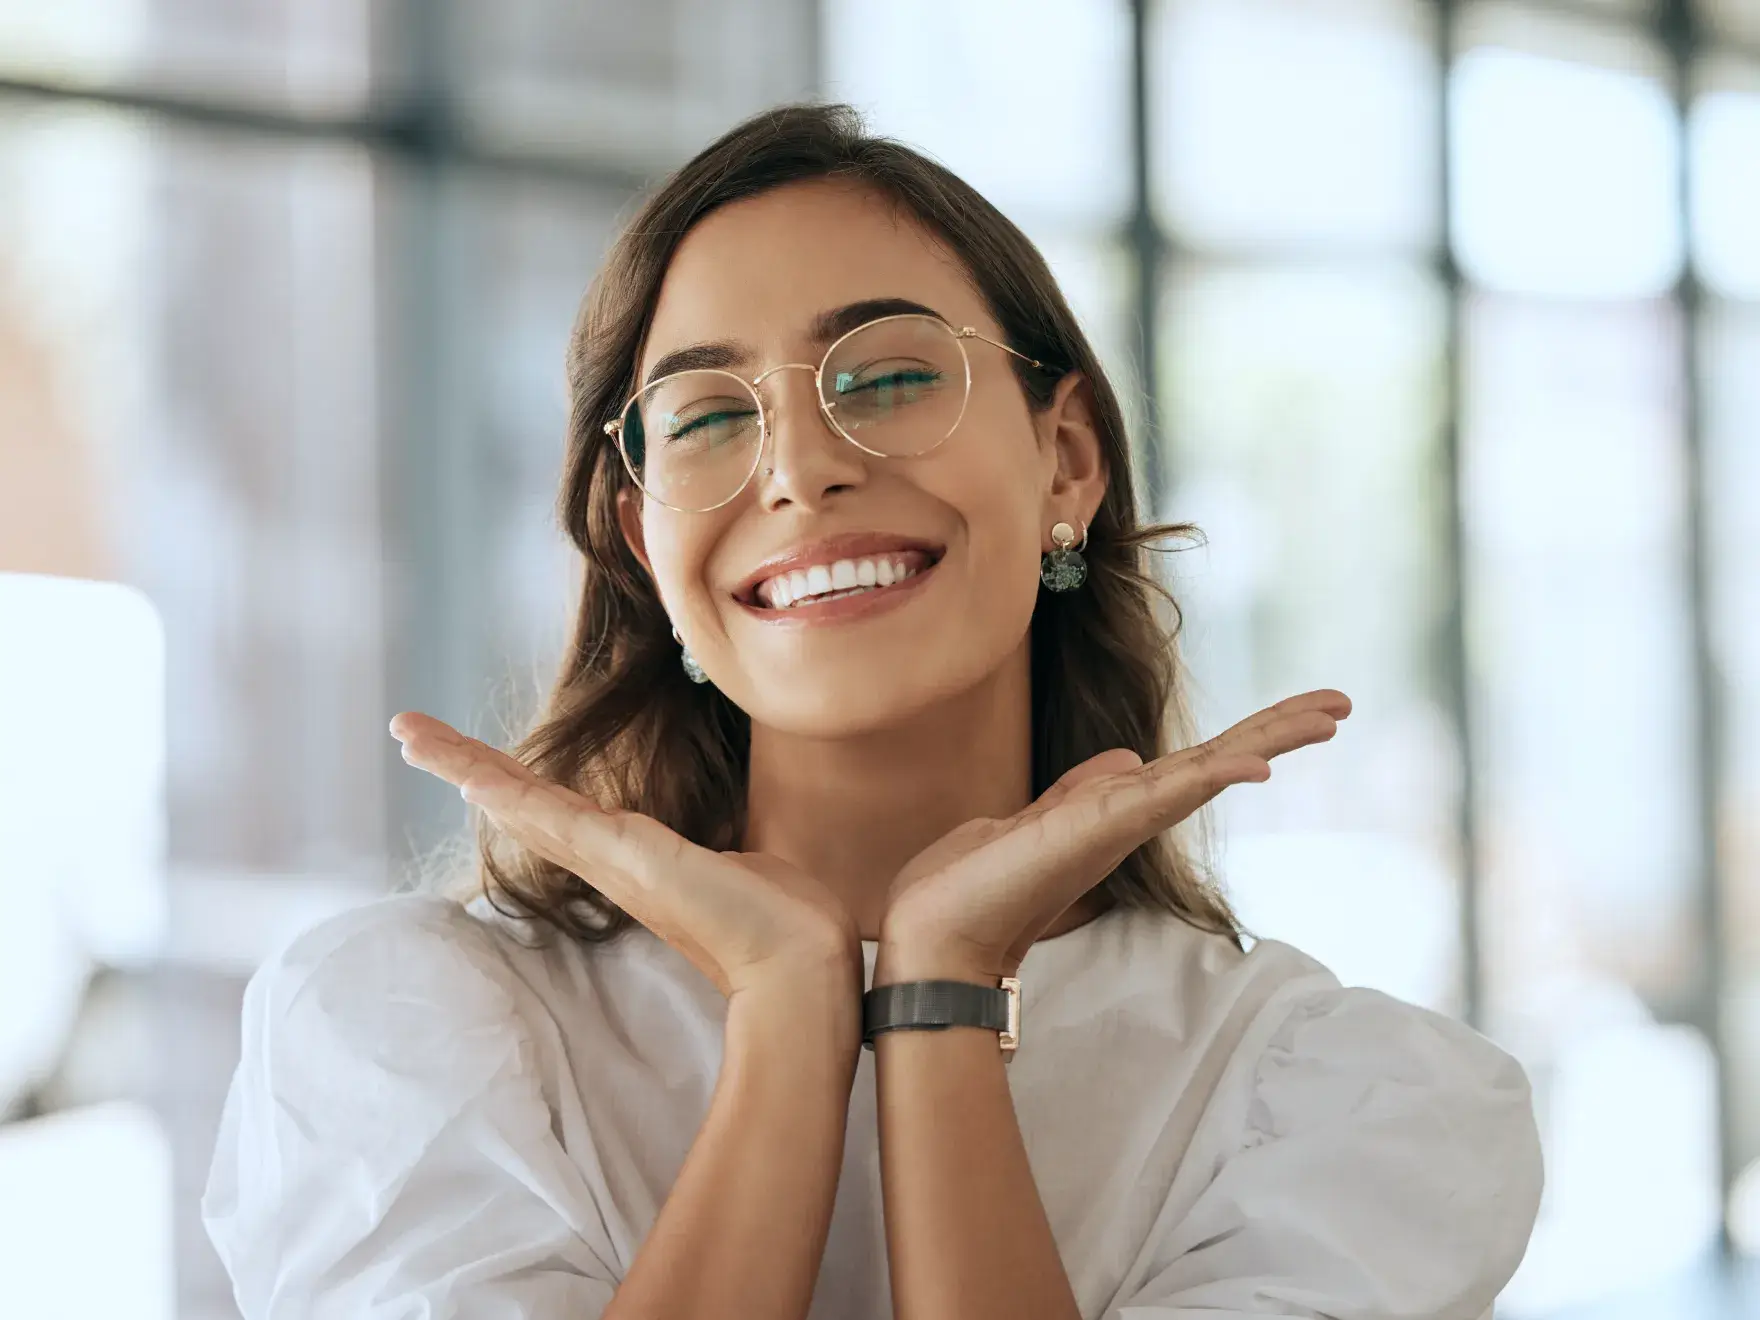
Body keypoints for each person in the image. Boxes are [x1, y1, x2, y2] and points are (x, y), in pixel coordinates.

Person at [202, 103, 1543, 1320]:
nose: (800, 469)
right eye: (708, 416)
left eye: (890, 377)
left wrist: (941, 996)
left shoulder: (1341, 1103)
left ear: (1064, 461)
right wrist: (789, 1013)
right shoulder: (404, 1035)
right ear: (643, 541)